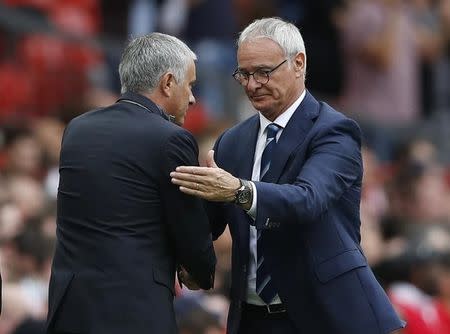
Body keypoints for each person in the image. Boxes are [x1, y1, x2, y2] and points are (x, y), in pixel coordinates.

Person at [170, 17, 405, 334]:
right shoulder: (232, 142)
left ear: (299, 63)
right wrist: (187, 261)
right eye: (244, 74)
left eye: (264, 72)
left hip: (327, 316)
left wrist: (240, 191)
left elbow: (307, 200)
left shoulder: (334, 131)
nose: (252, 85)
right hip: (253, 317)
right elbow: (205, 225)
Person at [47, 32, 216, 334]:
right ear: (167, 83)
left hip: (71, 311)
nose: (192, 97)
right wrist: (202, 271)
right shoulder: (171, 139)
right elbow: (187, 227)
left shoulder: (77, 129)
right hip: (132, 314)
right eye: (189, 85)